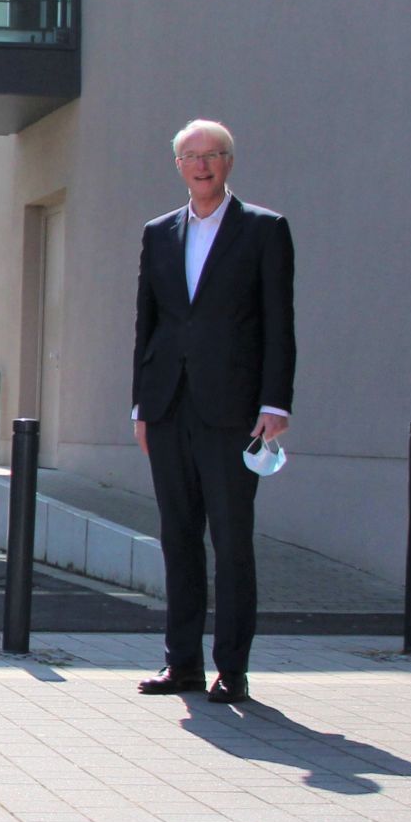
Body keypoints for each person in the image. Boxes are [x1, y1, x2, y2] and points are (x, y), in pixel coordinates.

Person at [133, 120, 294, 706]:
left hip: (234, 410)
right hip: (168, 404)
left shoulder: (264, 230)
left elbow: (280, 322)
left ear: (229, 162)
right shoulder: (158, 233)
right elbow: (147, 323)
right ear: (178, 164)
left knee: (231, 541)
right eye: (191, 156)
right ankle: (183, 665)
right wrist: (141, 405)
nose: (202, 165)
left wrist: (276, 403)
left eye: (213, 155)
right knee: (178, 537)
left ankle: (232, 668)